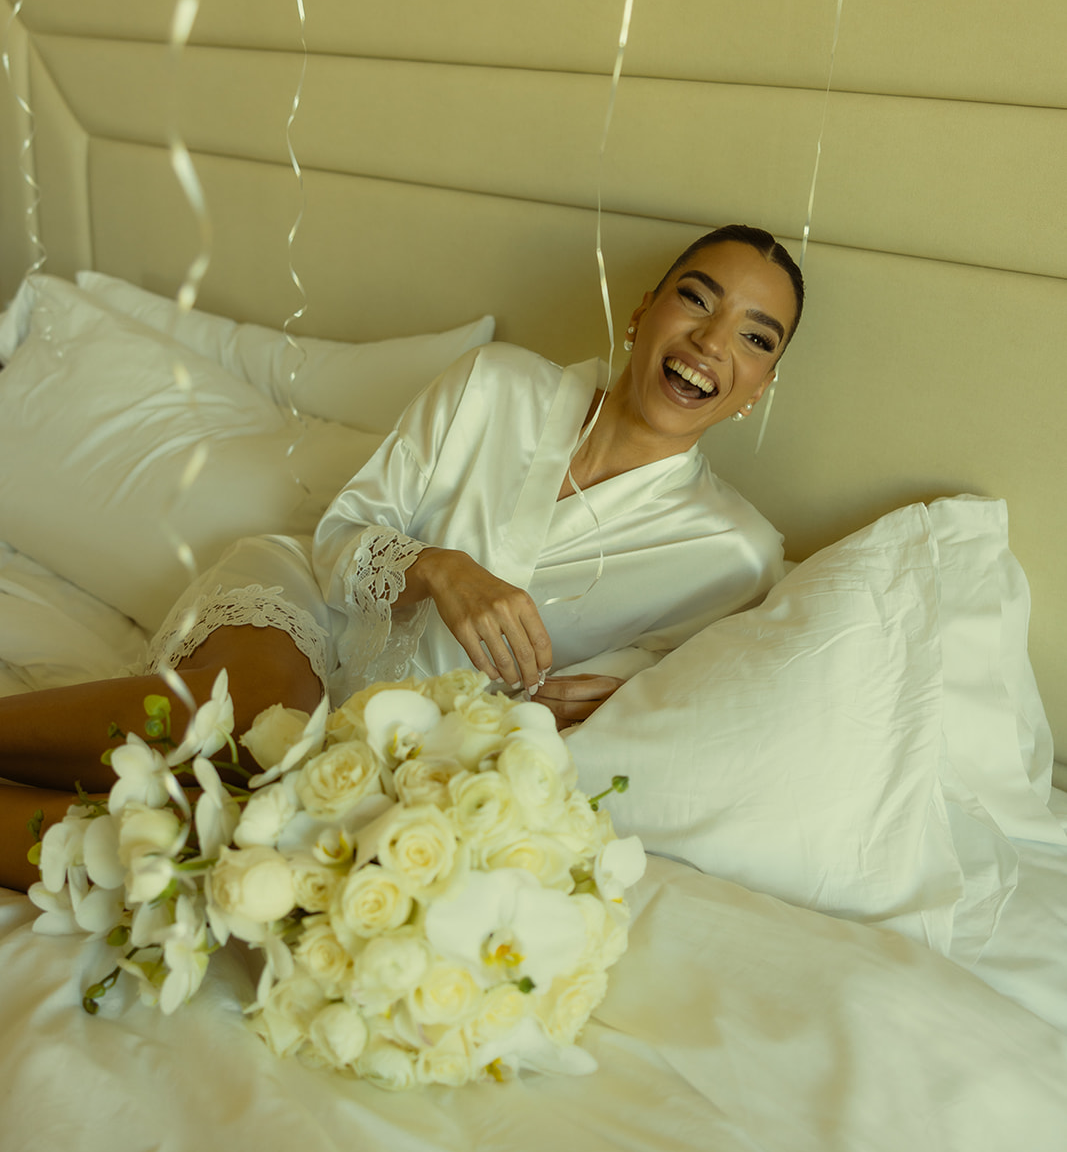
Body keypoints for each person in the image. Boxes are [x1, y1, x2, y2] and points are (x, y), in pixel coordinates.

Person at [0, 225, 803, 888]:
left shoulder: (734, 557)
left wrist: (593, 700)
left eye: (753, 337)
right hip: (307, 622)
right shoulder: (496, 385)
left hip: (407, 754)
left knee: (224, 850)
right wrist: (438, 569)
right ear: (641, 313)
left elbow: (646, 703)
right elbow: (342, 537)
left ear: (760, 385)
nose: (710, 340)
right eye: (696, 299)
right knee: (258, 726)